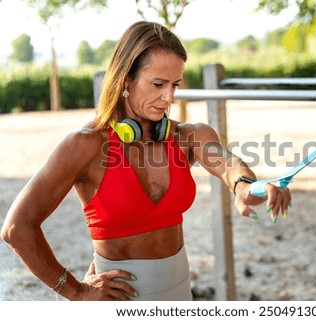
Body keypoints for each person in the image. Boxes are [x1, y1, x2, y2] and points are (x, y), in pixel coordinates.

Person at [1, 21, 291, 301]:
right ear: (126, 79)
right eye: (158, 84)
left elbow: (228, 164)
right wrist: (75, 291)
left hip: (179, 297)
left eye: (175, 85)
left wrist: (246, 186)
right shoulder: (84, 145)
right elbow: (17, 228)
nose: (169, 97)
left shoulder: (188, 136)